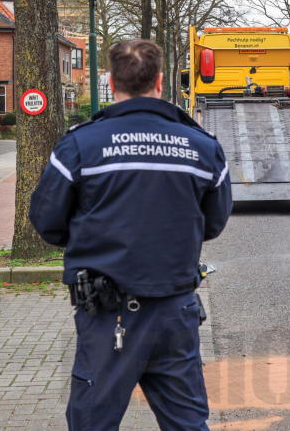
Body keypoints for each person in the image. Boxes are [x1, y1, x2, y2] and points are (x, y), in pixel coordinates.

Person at [30, 40, 233, 431]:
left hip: (110, 314)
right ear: (160, 82)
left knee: (92, 422)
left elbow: (47, 221)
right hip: (176, 310)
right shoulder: (203, 146)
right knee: (188, 423)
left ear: (110, 81)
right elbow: (214, 222)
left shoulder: (80, 144)